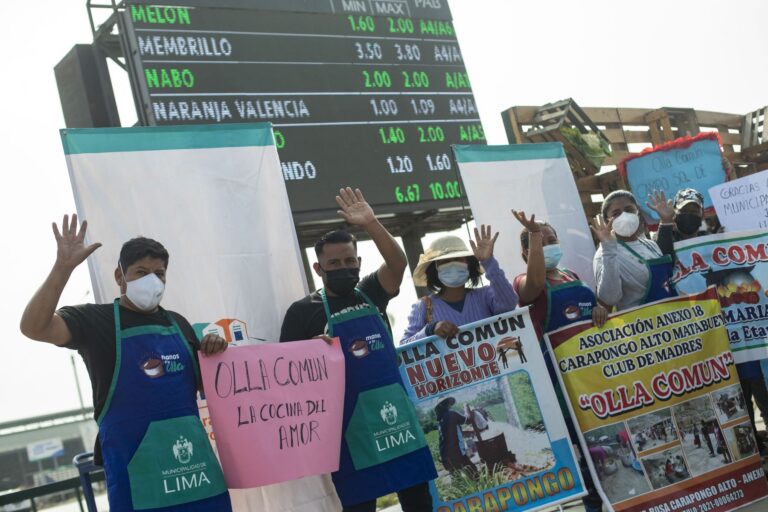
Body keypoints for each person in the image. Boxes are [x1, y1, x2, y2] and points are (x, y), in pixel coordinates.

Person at [19, 215, 231, 512]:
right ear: (119, 277)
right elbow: (34, 327)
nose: (152, 281)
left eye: (159, 273)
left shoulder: (180, 325)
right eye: (141, 272)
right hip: (139, 482)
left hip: (196, 474)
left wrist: (215, 353)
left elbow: (202, 386)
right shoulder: (96, 322)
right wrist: (63, 268)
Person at [279, 188, 435, 512]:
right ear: (318, 268)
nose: (344, 267)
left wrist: (371, 223)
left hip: (398, 424)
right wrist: (309, 354)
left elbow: (397, 262)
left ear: (359, 262)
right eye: (334, 263)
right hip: (348, 434)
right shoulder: (301, 312)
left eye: (350, 261)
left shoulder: (371, 292)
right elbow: (286, 380)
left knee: (419, 503)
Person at [512, 211, 608, 511]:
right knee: (578, 453)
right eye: (542, 241)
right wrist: (536, 236)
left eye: (552, 239)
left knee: (600, 449)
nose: (550, 245)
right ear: (527, 252)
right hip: (557, 383)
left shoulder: (572, 276)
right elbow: (536, 282)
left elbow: (593, 315)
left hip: (589, 378)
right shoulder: (524, 281)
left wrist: (599, 312)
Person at [400, 225, 517, 343]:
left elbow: (509, 303)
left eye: (458, 259)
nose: (453, 264)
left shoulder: (485, 295)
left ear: (469, 264)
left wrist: (488, 261)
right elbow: (404, 345)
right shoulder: (424, 307)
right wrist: (430, 330)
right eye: (445, 261)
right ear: (434, 270)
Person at [592, 190, 676, 310]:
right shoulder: (604, 254)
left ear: (637, 211)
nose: (624, 216)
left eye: (629, 210)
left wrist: (666, 221)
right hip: (641, 323)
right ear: (607, 221)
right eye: (616, 213)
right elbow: (610, 299)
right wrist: (608, 248)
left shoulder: (651, 245)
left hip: (672, 316)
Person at [647, 188, 708, 258]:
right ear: (674, 212)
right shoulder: (663, 238)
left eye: (694, 211)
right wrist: (665, 221)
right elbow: (663, 258)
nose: (689, 215)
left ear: (703, 215)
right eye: (684, 211)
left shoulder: (709, 239)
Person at [435, 398, 477, 474]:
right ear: (448, 404)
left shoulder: (442, 419)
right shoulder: (451, 414)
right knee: (473, 472)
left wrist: (469, 432)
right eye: (449, 403)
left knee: (458, 478)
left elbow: (453, 433)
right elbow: (469, 419)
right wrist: (466, 408)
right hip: (455, 454)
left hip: (446, 456)